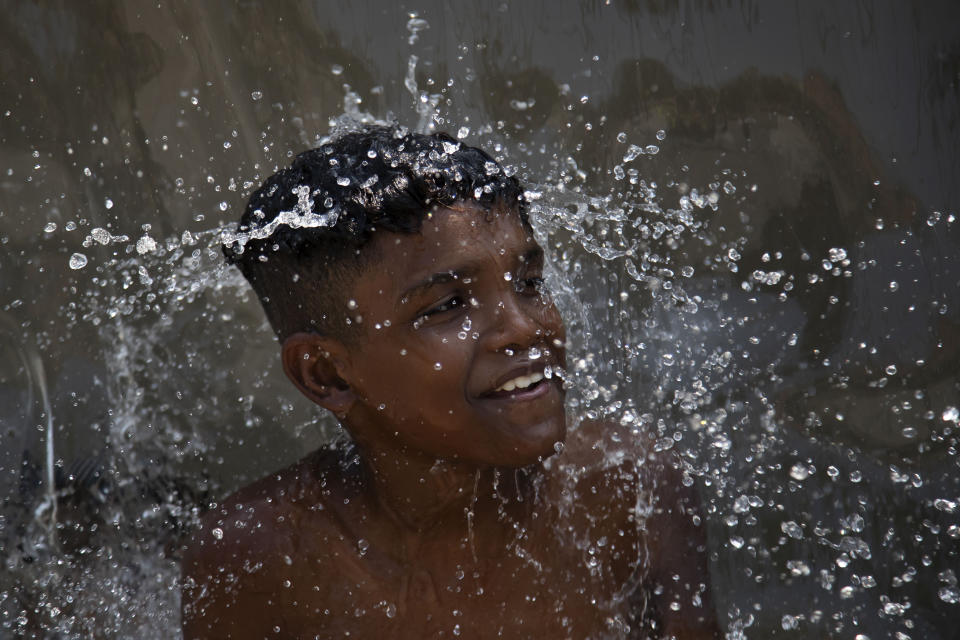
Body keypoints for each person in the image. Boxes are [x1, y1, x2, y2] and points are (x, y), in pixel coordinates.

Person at [181, 125, 720, 639]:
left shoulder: (628, 492)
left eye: (529, 282)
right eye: (447, 306)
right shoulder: (265, 557)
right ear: (326, 373)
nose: (526, 326)